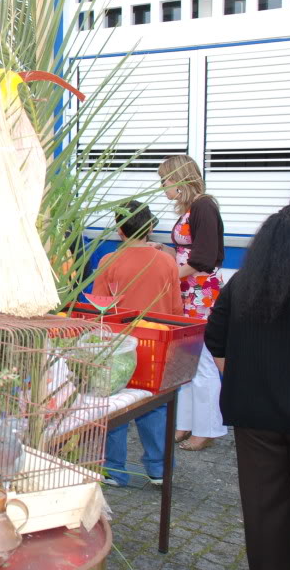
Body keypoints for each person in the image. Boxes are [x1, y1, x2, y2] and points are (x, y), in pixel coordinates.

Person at [205, 204, 290, 570]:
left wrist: (249, 376)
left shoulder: (244, 284)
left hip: (254, 417)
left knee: (264, 513)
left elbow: (215, 338)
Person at [92, 201, 181, 487]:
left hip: (119, 344)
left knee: (116, 405)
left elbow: (100, 310)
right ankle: (158, 469)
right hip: (156, 343)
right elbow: (176, 308)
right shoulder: (167, 261)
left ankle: (115, 470)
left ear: (119, 229)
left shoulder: (108, 262)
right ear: (151, 226)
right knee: (154, 405)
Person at [157, 155, 226, 452]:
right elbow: (189, 253)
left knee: (205, 361)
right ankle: (185, 423)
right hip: (188, 291)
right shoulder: (193, 208)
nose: (162, 187)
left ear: (179, 179)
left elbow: (203, 258)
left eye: (165, 180)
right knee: (184, 359)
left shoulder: (203, 206)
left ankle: (207, 427)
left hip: (200, 294)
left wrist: (170, 276)